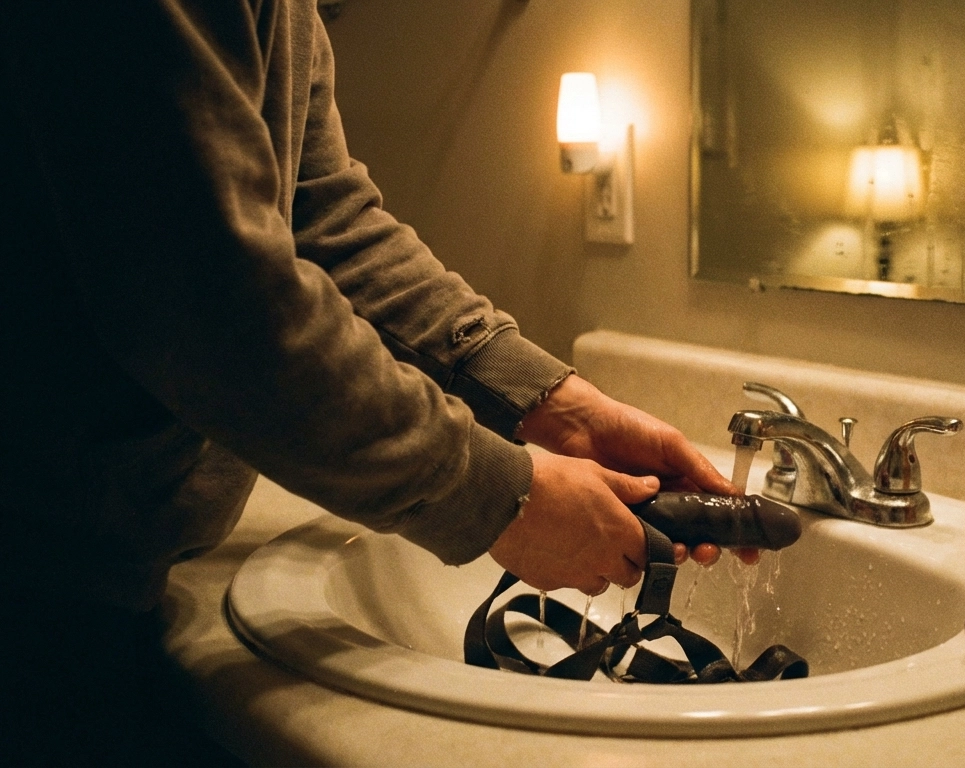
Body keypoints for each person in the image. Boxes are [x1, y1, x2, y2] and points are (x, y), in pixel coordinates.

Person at [0, 1, 737, 763]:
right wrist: (500, 495)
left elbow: (326, 218)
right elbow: (211, 297)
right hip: (31, 586)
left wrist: (551, 402)